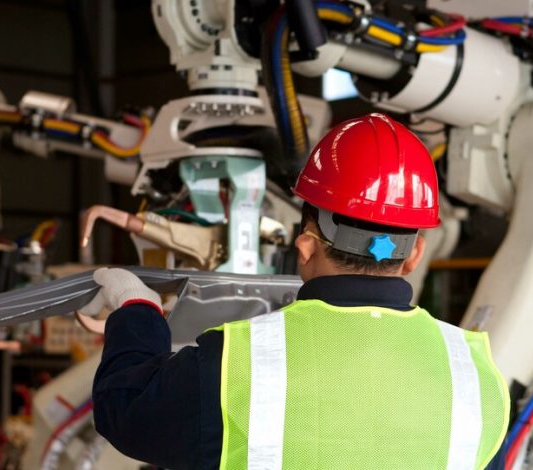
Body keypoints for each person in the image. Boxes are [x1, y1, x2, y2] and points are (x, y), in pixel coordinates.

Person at [85, 113, 509, 470]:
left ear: (305, 246)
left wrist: (137, 308)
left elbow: (124, 409)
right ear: (415, 253)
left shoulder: (238, 363)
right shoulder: (478, 381)